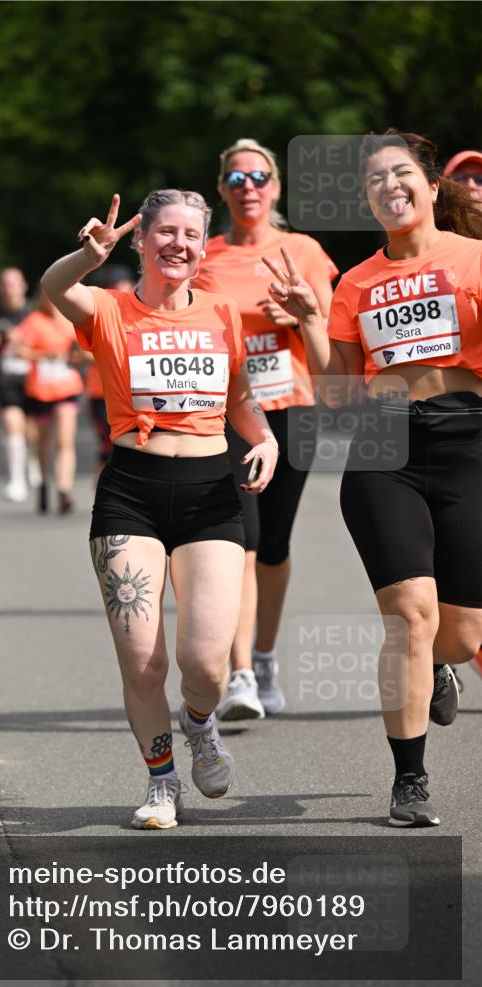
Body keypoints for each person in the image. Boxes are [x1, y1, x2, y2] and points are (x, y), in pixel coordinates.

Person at [261, 130, 482, 827]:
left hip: (468, 433)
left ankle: (441, 667)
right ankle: (408, 779)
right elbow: (334, 395)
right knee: (408, 616)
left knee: (461, 635)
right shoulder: (354, 283)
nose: (389, 186)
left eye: (400, 173)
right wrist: (306, 326)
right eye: (375, 180)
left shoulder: (474, 259)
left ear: (428, 185)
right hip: (383, 437)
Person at [42, 190, 279, 830]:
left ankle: (199, 725)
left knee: (206, 662)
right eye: (165, 232)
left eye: (191, 235)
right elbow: (52, 286)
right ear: (142, 240)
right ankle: (161, 782)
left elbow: (240, 398)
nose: (178, 244)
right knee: (143, 658)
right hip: (131, 493)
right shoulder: (108, 309)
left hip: (209, 492)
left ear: (204, 247)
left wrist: (266, 438)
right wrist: (87, 257)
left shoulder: (223, 312)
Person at [194, 138, 338, 720]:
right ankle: (240, 676)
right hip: (232, 410)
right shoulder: (208, 257)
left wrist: (300, 319)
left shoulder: (301, 250)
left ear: (274, 188)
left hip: (294, 405)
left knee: (274, 545)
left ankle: (266, 655)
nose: (247, 187)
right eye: (235, 179)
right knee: (242, 541)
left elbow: (334, 333)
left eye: (257, 177)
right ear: (223, 191)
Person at [16, 289, 84, 514]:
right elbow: (19, 350)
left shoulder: (71, 319)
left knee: (65, 441)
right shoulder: (34, 321)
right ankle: (44, 482)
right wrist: (45, 355)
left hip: (67, 387)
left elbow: (85, 348)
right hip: (40, 391)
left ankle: (64, 490)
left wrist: (76, 355)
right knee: (42, 443)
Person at [0, 268, 35, 501]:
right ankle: (16, 479)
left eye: (13, 283)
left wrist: (21, 340)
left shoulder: (34, 313)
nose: (8, 288)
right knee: (12, 424)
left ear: (23, 285)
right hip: (6, 378)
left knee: (32, 431)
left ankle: (33, 459)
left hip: (34, 378)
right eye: (4, 283)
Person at [82, 264, 136, 483]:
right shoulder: (98, 313)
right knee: (108, 447)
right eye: (117, 287)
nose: (124, 290)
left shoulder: (140, 311)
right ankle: (101, 493)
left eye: (126, 285)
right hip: (101, 393)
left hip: (133, 393)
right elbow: (80, 353)